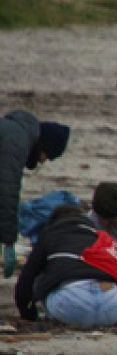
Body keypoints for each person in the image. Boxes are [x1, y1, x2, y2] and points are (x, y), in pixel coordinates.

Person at [12, 204, 117, 327]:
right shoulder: (101, 237)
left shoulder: (50, 236)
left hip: (73, 308)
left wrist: (28, 315)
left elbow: (26, 280)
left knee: (43, 278)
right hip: (113, 306)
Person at [1, 110, 72, 280]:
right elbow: (7, 192)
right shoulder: (16, 142)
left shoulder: (13, 132)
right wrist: (9, 241)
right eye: (46, 156)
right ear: (43, 145)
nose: (41, 161)